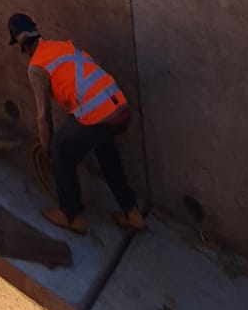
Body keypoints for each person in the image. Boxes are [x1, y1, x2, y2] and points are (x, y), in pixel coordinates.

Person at [8, 12, 146, 235]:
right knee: (106, 153)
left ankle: (71, 215)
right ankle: (132, 213)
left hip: (96, 113)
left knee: (60, 151)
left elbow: (44, 116)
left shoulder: (37, 66)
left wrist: (46, 147)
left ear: (22, 46)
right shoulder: (62, 47)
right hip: (119, 106)